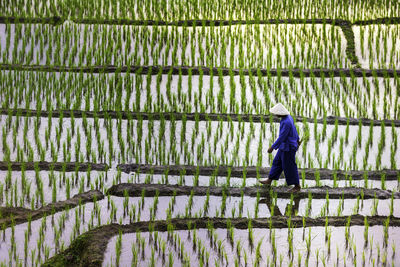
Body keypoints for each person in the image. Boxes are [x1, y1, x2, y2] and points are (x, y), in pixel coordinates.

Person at [259, 103, 302, 193]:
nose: (275, 115)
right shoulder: (287, 118)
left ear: (280, 113)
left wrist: (272, 147)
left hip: (288, 147)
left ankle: (297, 186)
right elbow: (294, 129)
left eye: (276, 113)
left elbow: (282, 137)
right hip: (284, 146)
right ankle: (269, 180)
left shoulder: (286, 122)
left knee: (289, 166)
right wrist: (297, 139)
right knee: (277, 162)